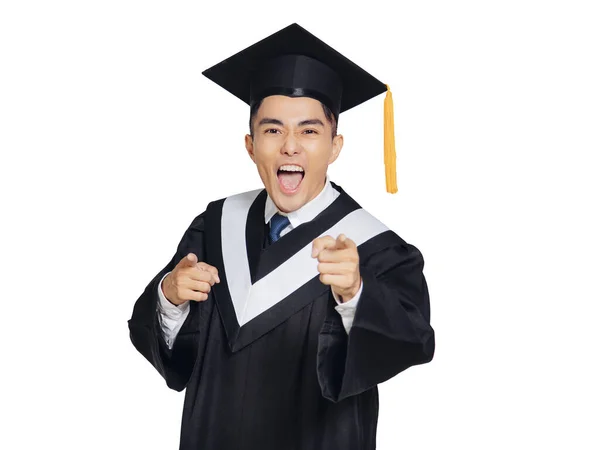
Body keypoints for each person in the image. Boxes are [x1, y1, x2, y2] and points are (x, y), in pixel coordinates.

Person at [128, 23, 435, 450]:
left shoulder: (374, 248)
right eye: (273, 130)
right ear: (251, 145)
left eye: (309, 131)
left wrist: (356, 293)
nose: (290, 146)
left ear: (335, 146)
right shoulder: (215, 226)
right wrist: (169, 296)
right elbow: (170, 353)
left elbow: (413, 340)